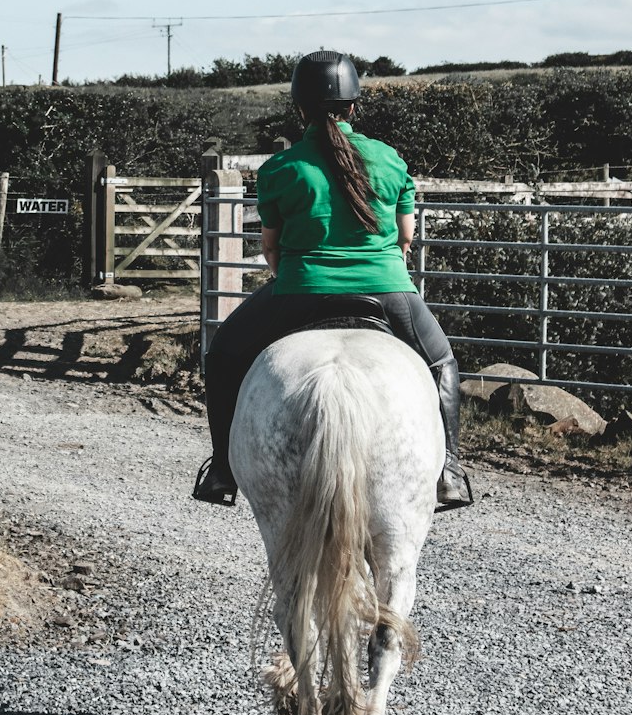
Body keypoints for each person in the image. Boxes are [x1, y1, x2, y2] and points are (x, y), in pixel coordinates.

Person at [193, 49, 473, 510]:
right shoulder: (389, 160)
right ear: (354, 106)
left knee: (222, 354)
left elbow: (270, 249)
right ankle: (450, 472)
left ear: (299, 108)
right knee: (441, 362)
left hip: (300, 289)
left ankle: (223, 470)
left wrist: (300, 277)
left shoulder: (280, 169)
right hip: (387, 290)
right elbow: (405, 236)